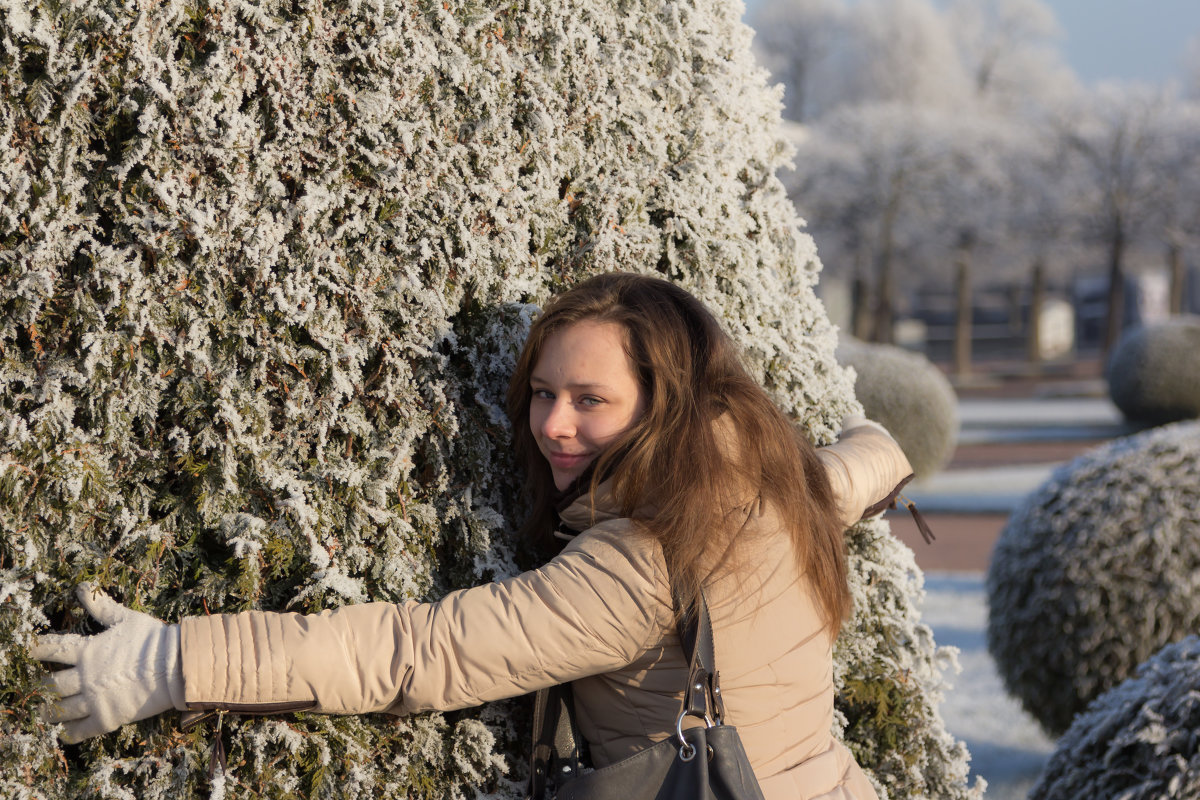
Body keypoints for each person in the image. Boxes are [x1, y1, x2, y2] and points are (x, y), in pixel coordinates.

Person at [32, 273, 913, 799]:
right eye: (542, 391)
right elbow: (857, 470)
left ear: (667, 403)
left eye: (590, 401)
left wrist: (171, 664)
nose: (552, 425)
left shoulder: (640, 565)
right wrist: (884, 450)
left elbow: (419, 651)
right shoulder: (775, 480)